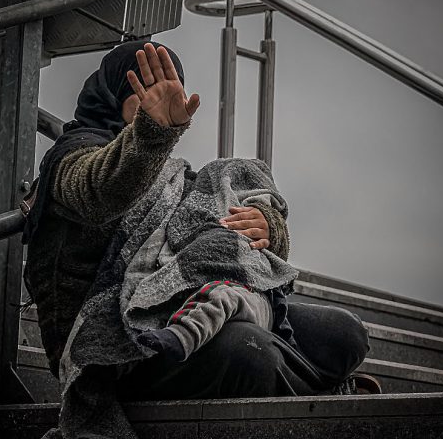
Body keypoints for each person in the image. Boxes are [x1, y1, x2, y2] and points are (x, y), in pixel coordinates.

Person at [22, 41, 370, 439]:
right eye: (147, 85)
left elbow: (210, 233)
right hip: (122, 347)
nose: (161, 95)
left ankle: (310, 390)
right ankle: (327, 399)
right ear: (116, 90)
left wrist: (268, 228)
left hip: (188, 306)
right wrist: (153, 134)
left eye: (170, 85)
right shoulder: (70, 159)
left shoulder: (173, 175)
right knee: (249, 351)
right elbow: (102, 190)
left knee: (345, 333)